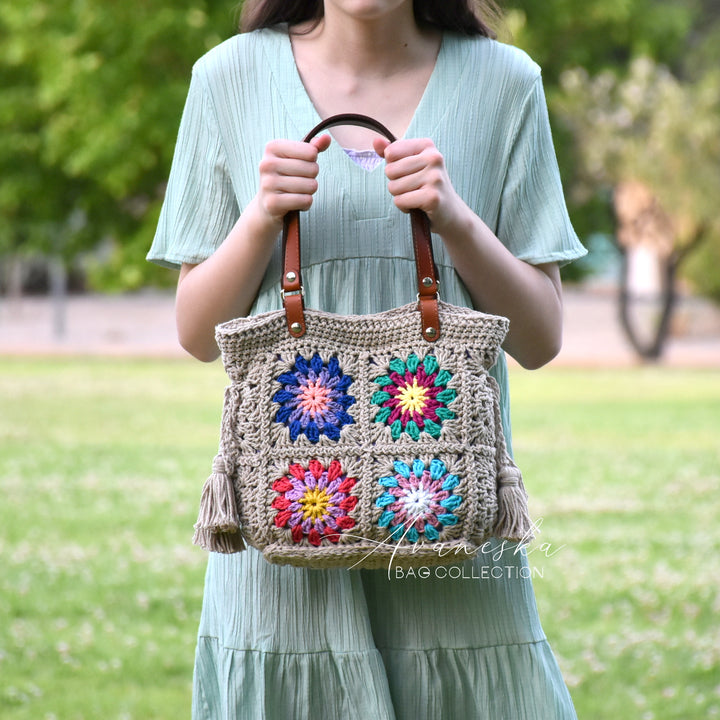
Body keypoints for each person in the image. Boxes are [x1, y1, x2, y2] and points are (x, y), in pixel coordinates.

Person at [147, 1, 587, 717]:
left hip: (448, 533)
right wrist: (260, 217)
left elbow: (541, 339)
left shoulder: (507, 83)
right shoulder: (226, 78)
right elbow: (198, 332)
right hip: (284, 540)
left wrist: (457, 219)